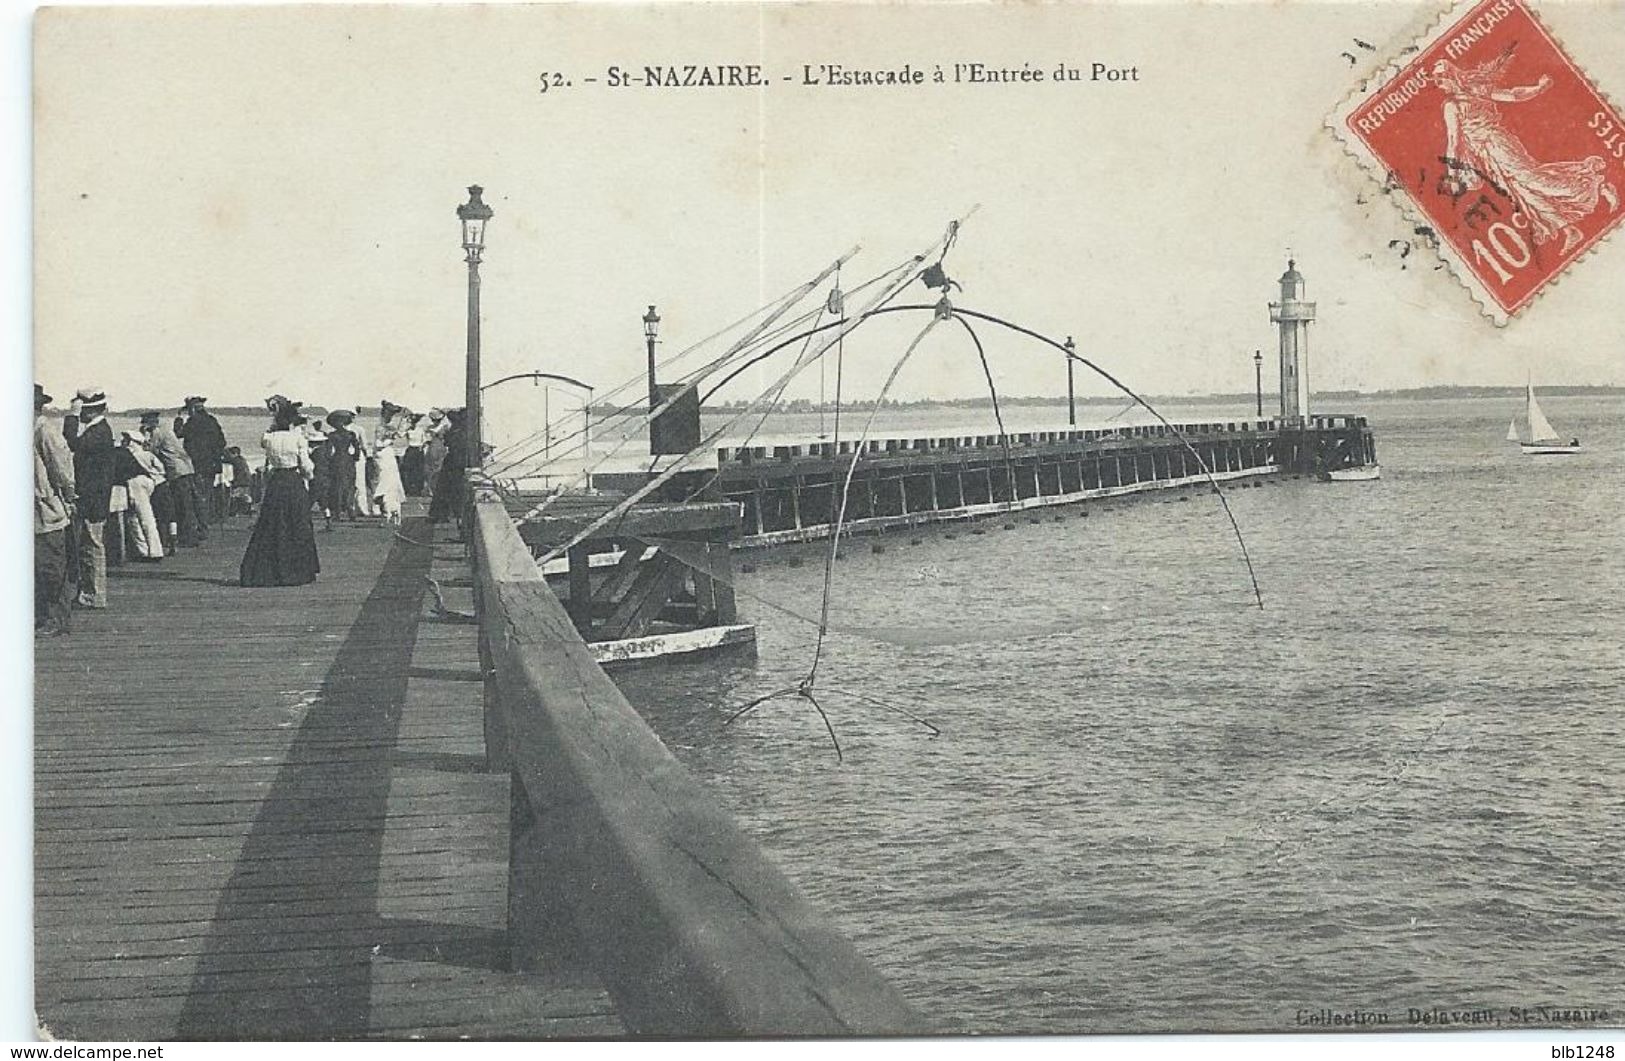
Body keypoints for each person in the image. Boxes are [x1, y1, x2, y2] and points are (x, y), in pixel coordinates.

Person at [240, 399, 320, 587]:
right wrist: (308, 475)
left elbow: (266, 441)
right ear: (292, 421)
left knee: (272, 524)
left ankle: (268, 570)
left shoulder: (268, 438)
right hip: (293, 481)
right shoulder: (298, 438)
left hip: (276, 482)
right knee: (297, 523)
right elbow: (307, 467)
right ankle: (297, 570)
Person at [66, 387, 115, 609]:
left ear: (91, 411)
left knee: (93, 546)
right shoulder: (99, 430)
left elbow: (72, 443)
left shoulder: (98, 432)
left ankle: (95, 595)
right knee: (89, 545)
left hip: (93, 500)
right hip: (94, 497)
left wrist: (71, 415)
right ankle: (89, 592)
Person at [34, 384, 76, 635]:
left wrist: (68, 495)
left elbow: (62, 468)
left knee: (51, 567)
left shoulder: (45, 431)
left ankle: (57, 620)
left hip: (46, 510)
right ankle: (42, 616)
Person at [143, 411, 205, 546]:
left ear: (150, 423)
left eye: (145, 423)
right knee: (187, 504)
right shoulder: (167, 431)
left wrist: (143, 438)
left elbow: (151, 452)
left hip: (176, 471)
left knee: (182, 505)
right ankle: (190, 535)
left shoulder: (157, 433)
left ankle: (188, 538)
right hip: (185, 468)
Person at [178, 395, 229, 523]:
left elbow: (178, 434)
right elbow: (222, 442)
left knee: (200, 495)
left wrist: (178, 419)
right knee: (208, 492)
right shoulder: (212, 421)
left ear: (193, 409)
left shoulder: (192, 422)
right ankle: (208, 520)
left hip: (198, 464)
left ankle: (203, 526)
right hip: (212, 464)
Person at [115, 433, 165, 562]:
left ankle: (153, 551)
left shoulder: (133, 454)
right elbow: (161, 469)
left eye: (126, 440)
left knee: (143, 517)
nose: (123, 442)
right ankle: (147, 550)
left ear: (133, 442)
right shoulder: (148, 454)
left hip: (135, 483)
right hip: (147, 482)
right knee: (135, 518)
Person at [427, 409, 467, 524]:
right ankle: (454, 514)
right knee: (454, 489)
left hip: (451, 461)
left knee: (444, 488)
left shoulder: (454, 430)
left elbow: (447, 442)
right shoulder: (463, 431)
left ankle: (442, 514)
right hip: (458, 462)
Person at [324, 410, 361, 521]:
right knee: (349, 485)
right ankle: (350, 510)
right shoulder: (350, 434)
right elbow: (357, 449)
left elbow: (328, 451)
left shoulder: (332, 435)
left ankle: (337, 512)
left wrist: (328, 461)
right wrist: (355, 457)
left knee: (336, 486)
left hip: (337, 460)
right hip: (348, 460)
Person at [372, 437, 405, 526]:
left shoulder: (388, 450)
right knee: (384, 487)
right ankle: (386, 512)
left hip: (389, 466)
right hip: (383, 466)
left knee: (389, 488)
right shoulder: (384, 448)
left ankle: (388, 513)